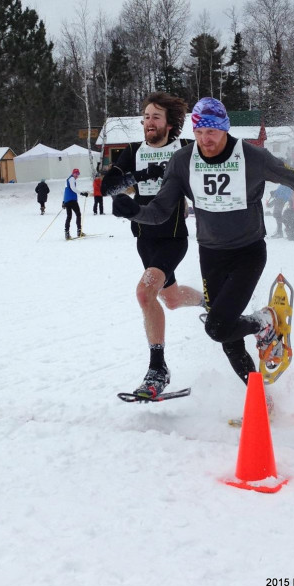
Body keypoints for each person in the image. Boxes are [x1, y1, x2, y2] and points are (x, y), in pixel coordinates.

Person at [112, 96, 294, 400]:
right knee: (227, 336)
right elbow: (162, 210)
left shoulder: (251, 157)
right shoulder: (183, 161)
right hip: (211, 255)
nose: (206, 140)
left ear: (226, 129)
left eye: (212, 133)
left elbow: (290, 177)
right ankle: (261, 400)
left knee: (217, 327)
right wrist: (134, 211)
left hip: (248, 252)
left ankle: (264, 321)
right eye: (200, 133)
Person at [101, 91, 204, 399]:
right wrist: (142, 174)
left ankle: (157, 369)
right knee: (169, 299)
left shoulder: (185, 148)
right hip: (144, 240)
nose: (148, 122)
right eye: (145, 117)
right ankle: (207, 302)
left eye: (155, 117)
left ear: (170, 124)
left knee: (145, 292)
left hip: (173, 238)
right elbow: (108, 187)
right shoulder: (133, 151)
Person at [63, 168, 88, 240]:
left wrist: (63, 201)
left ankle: (67, 234)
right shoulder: (72, 179)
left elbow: (66, 190)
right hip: (72, 200)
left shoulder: (67, 179)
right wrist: (82, 193)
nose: (77, 176)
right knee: (78, 214)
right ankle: (79, 231)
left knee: (69, 216)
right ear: (73, 173)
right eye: (76, 174)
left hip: (67, 201)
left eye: (78, 174)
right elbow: (73, 188)